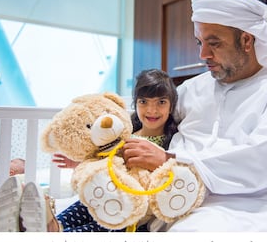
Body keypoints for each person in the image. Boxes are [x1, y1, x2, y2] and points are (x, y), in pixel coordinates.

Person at [121, 0, 267, 232]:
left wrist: (170, 160)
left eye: (214, 43)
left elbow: (262, 158)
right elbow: (148, 117)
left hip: (260, 206)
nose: (203, 55)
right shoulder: (191, 89)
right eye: (199, 43)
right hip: (178, 199)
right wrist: (98, 142)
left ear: (246, 40)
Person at [46, 68, 178, 232]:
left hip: (133, 210)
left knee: (103, 225)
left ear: (171, 106)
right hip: (108, 192)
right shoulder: (124, 133)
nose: (152, 110)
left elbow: (175, 167)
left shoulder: (173, 141)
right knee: (87, 201)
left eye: (161, 102)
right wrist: (79, 163)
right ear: (135, 103)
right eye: (143, 102)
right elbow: (104, 159)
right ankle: (52, 225)